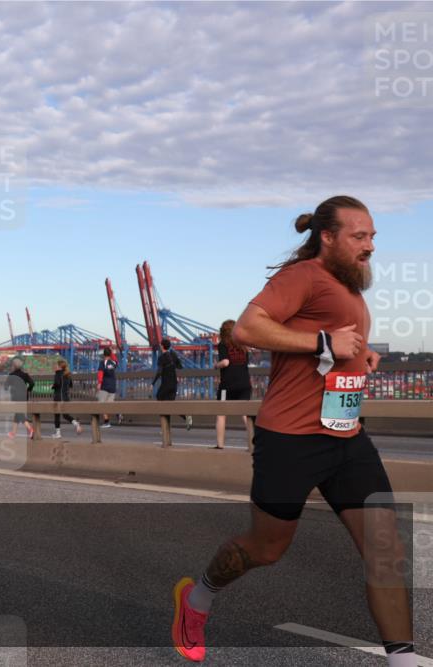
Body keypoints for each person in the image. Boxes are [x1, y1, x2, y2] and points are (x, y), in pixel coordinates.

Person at [172, 196, 414, 666]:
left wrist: (360, 355)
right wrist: (323, 341)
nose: (369, 246)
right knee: (266, 548)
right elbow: (247, 329)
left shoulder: (350, 288)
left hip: (346, 436)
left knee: (386, 552)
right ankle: (197, 598)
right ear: (328, 237)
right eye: (359, 236)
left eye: (372, 236)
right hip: (291, 439)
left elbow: (335, 348)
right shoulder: (303, 276)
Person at [213, 319, 252, 449]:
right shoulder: (243, 345)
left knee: (221, 413)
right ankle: (254, 444)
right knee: (245, 414)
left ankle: (220, 445)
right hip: (244, 384)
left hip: (228, 385)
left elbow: (225, 362)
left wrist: (216, 365)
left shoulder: (223, 344)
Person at [154, 339, 192, 430]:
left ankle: (166, 428)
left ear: (162, 346)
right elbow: (180, 366)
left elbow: (159, 371)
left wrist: (153, 382)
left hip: (166, 384)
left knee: (159, 398)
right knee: (171, 404)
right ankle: (186, 416)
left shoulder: (161, 357)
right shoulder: (173, 354)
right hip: (174, 383)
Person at [51, 359, 81, 438]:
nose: (55, 366)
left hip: (59, 397)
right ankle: (76, 423)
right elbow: (70, 385)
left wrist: (52, 386)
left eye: (56, 365)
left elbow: (57, 383)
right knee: (65, 415)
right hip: (66, 398)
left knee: (57, 415)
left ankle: (58, 433)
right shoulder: (68, 374)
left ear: (60, 367)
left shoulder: (58, 373)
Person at [6, 357, 35, 438]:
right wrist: (29, 389)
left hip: (16, 397)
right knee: (18, 413)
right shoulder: (25, 375)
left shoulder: (11, 375)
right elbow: (32, 383)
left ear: (13, 366)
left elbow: (6, 386)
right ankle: (13, 433)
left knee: (19, 413)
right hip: (24, 396)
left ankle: (30, 429)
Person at [96, 347, 120, 428]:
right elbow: (116, 360)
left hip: (105, 385)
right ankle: (117, 412)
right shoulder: (113, 363)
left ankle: (107, 422)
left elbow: (100, 373)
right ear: (110, 354)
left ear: (103, 354)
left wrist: (99, 383)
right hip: (113, 385)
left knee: (101, 404)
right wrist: (112, 352)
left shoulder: (103, 362)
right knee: (109, 404)